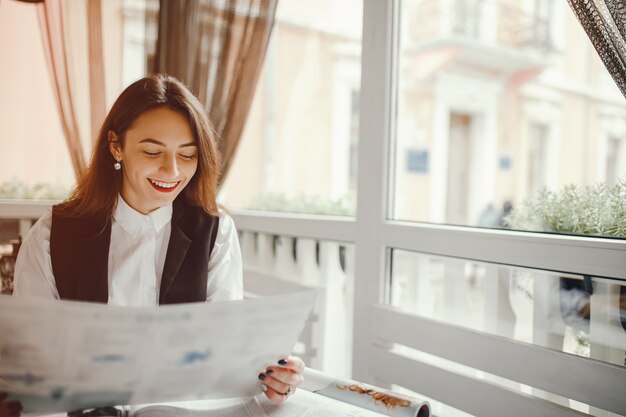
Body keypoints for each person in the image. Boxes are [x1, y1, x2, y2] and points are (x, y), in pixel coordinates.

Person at [1, 74, 304, 416]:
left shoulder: (215, 232)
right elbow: (34, 361)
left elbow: (225, 350)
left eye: (187, 155)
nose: (171, 170)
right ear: (116, 146)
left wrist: (270, 376)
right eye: (151, 151)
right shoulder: (52, 234)